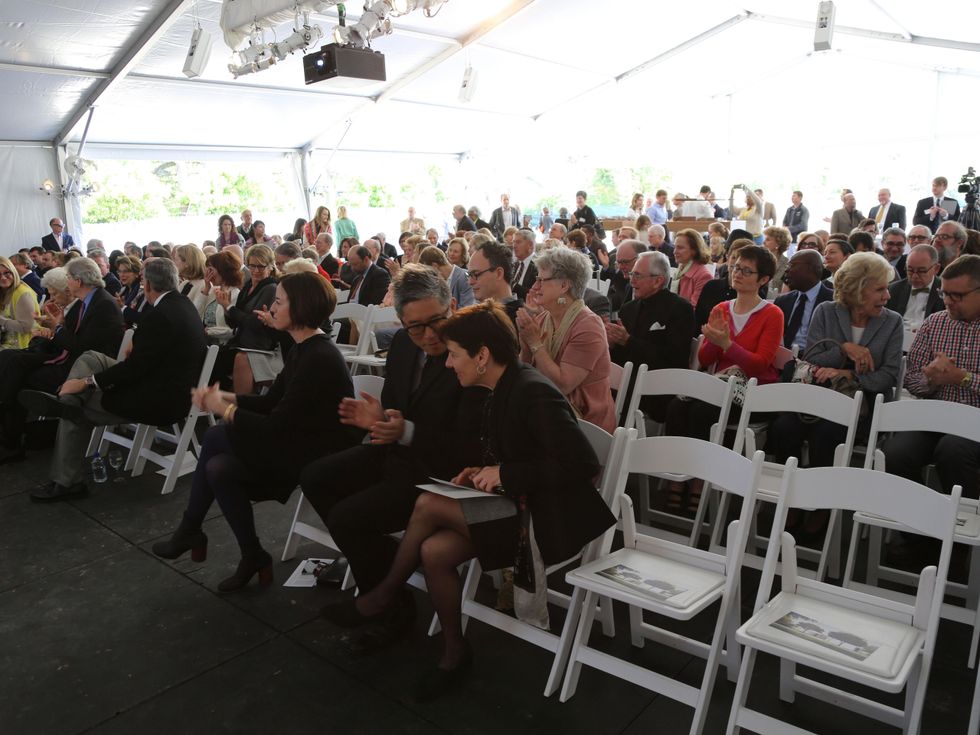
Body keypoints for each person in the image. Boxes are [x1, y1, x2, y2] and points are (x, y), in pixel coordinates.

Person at [323, 301, 613, 700]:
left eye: (455, 354)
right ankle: (454, 651)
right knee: (435, 551)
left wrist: (504, 474)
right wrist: (480, 471)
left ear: (482, 356)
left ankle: (384, 593)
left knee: (426, 504)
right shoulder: (497, 385)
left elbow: (581, 463)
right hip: (518, 503)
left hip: (551, 516)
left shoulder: (531, 391)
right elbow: (509, 447)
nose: (447, 364)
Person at [301, 266, 484, 642]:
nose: (429, 335)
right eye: (416, 326)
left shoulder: (471, 352)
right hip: (401, 454)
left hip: (442, 473)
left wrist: (402, 430)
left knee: (349, 517)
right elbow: (398, 409)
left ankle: (388, 602)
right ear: (402, 321)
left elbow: (468, 442)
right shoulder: (402, 344)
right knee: (315, 476)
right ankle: (387, 574)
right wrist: (381, 421)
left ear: (453, 304)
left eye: (437, 321)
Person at [152, 272, 358, 589]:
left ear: (300, 307)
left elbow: (276, 426)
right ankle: (253, 555)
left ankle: (191, 528)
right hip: (295, 443)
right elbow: (272, 402)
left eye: (278, 302)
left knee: (218, 435)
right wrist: (225, 398)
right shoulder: (303, 348)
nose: (271, 308)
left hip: (315, 456)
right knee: (218, 468)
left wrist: (226, 409)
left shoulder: (318, 356)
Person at [19, 259, 204, 501]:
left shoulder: (162, 314)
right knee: (90, 357)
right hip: (164, 381)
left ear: (147, 284)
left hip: (158, 398)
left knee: (73, 409)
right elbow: (149, 354)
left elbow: (133, 370)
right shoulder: (181, 304)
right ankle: (67, 400)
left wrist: (88, 383)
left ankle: (67, 480)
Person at [767, 253, 902, 537]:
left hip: (860, 404)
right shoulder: (827, 311)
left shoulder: (892, 322)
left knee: (827, 434)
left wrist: (851, 376)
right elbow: (813, 359)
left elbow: (888, 375)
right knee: (783, 427)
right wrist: (844, 348)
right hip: (816, 396)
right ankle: (790, 498)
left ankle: (819, 505)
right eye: (879, 289)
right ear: (857, 288)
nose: (887, 296)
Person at [664, 244, 783, 509]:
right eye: (736, 267)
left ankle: (697, 480)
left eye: (747, 271)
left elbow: (760, 364)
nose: (737, 274)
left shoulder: (772, 314)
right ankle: (676, 474)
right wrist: (715, 342)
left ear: (763, 280)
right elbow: (706, 360)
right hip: (719, 384)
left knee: (702, 412)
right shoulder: (722, 308)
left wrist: (728, 344)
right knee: (676, 406)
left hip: (751, 392)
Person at [883, 254, 980, 501]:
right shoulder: (935, 323)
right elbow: (911, 378)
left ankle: (960, 533)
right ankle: (919, 531)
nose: (947, 301)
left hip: (976, 422)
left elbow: (961, 378)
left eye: (956, 296)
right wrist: (931, 379)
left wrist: (963, 378)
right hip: (935, 418)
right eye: (944, 293)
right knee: (894, 454)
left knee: (953, 451)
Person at [516, 247, 616, 432]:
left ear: (564, 286)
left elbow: (563, 384)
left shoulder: (588, 326)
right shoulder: (544, 318)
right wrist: (526, 344)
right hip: (551, 410)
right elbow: (525, 371)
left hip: (586, 423)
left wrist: (535, 343)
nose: (535, 287)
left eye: (541, 280)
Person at [607, 250, 695, 421]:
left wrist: (628, 341)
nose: (631, 280)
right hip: (628, 378)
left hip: (661, 384)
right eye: (632, 274)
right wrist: (611, 343)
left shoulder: (680, 309)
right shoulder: (628, 308)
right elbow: (621, 356)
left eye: (638, 275)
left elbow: (675, 358)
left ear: (657, 281)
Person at [214, 244, 279, 394]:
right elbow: (234, 322)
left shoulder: (271, 288)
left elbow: (255, 323)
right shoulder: (249, 284)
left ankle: (223, 405)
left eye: (261, 266)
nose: (256, 270)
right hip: (241, 341)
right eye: (252, 266)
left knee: (212, 363)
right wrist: (225, 307)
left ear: (270, 267)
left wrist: (230, 308)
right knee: (208, 358)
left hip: (257, 344)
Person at [775, 249, 834, 350]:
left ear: (811, 268)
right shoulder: (783, 301)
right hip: (783, 358)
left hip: (816, 359)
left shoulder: (833, 301)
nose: (786, 270)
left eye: (791, 265)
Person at [887, 244, 944, 330]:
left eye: (921, 271)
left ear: (936, 268)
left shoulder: (945, 291)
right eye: (910, 270)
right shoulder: (894, 289)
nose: (914, 276)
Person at [467, 239, 523, 324]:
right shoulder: (477, 313)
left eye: (476, 274)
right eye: (469, 275)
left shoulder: (521, 321)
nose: (470, 282)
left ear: (498, 273)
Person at [194, 249, 244, 336]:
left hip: (221, 344)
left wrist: (209, 332)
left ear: (223, 271)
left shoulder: (236, 294)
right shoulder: (213, 290)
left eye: (211, 270)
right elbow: (195, 314)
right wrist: (206, 288)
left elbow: (232, 330)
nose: (208, 274)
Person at [0, 256, 39, 350]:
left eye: (6, 273)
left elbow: (25, 328)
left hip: (21, 347)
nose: (3, 278)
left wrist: (1, 320)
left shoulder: (23, 293)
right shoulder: (3, 290)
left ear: (13, 271)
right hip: (5, 340)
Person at [671, 228, 713, 308]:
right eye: (675, 247)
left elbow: (693, 309)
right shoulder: (679, 270)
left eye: (680, 248)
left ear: (694, 250)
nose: (674, 251)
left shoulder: (704, 276)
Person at [174, 244, 207, 314]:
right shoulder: (185, 283)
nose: (174, 263)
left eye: (176, 259)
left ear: (187, 263)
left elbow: (196, 312)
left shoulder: (204, 285)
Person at [762, 226, 792, 296]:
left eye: (768, 239)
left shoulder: (787, 265)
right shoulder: (760, 261)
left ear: (778, 243)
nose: (763, 242)